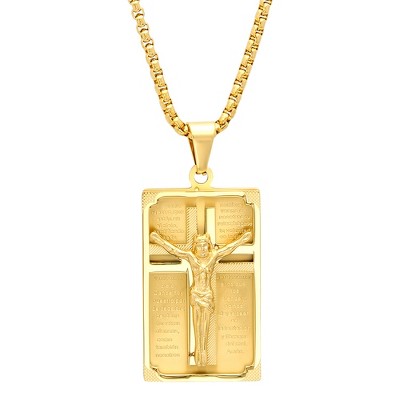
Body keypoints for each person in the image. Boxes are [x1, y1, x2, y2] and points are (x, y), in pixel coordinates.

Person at [150, 230, 252, 366]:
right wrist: (158, 239)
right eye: (199, 245)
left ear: (209, 245)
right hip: (196, 294)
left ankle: (203, 354)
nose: (202, 248)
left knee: (205, 327)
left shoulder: (213, 256)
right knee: (197, 327)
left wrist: (243, 239)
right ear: (195, 246)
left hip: (207, 295)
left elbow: (229, 248)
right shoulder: (191, 257)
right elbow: (174, 250)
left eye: (205, 245)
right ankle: (198, 356)